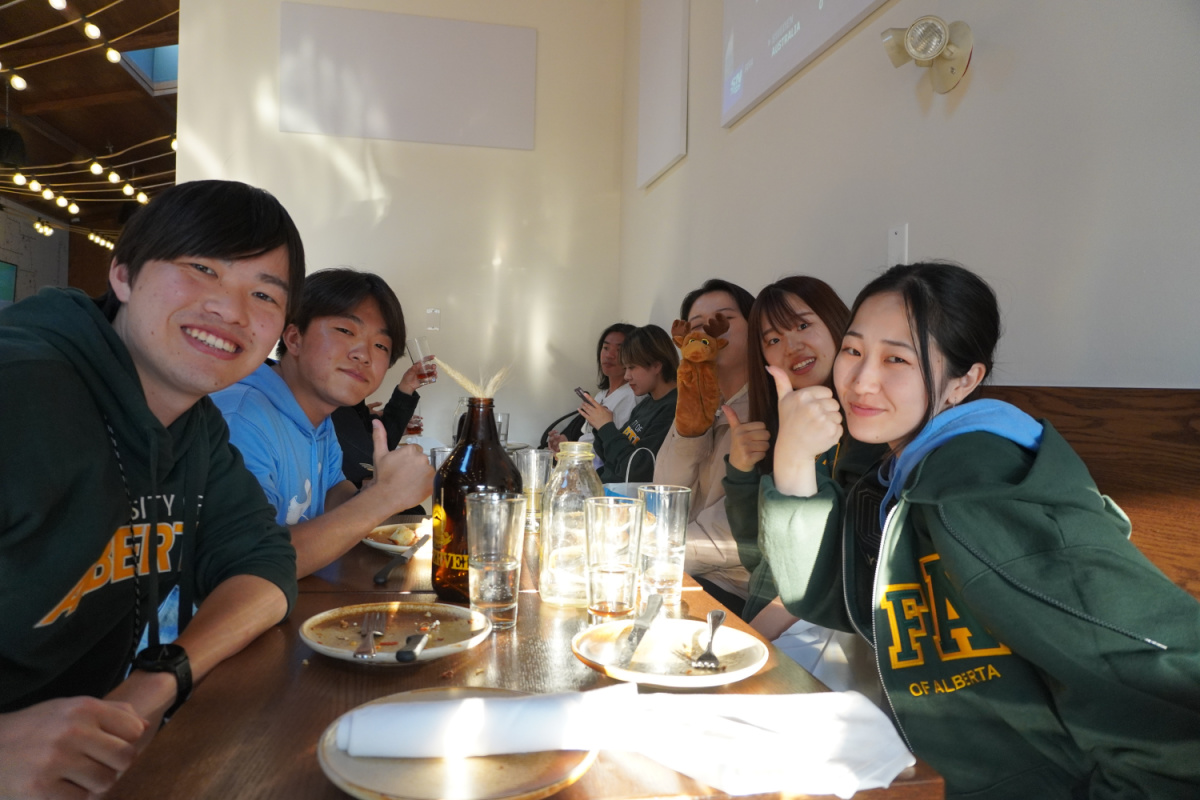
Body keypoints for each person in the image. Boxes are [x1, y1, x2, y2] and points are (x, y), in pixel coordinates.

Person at [759, 262, 1200, 798]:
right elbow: (834, 599)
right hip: (921, 763)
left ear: (965, 380)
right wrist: (793, 458)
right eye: (853, 350)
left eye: (896, 358)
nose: (860, 380)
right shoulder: (898, 471)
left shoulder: (977, 490)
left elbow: (1163, 674)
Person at [0, 180, 305, 799]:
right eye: (202, 269)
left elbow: (265, 564)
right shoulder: (20, 390)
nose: (232, 310)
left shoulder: (194, 427)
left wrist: (155, 684)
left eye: (263, 294)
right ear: (123, 274)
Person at [212, 268, 434, 579]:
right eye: (345, 331)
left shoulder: (319, 416)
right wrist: (382, 498)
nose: (364, 355)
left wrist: (374, 489)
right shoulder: (240, 419)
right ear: (294, 337)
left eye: (381, 346)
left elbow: (333, 493)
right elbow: (250, 563)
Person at [720, 276, 879, 692]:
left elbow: (824, 577)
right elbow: (758, 555)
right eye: (772, 339)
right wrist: (739, 470)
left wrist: (747, 640)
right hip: (768, 620)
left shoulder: (868, 432)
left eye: (803, 326)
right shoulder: (785, 425)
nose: (791, 347)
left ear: (839, 327)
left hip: (815, 636)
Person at [653, 278, 754, 615]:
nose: (709, 332)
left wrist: (654, 555)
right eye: (697, 326)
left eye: (724, 319)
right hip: (686, 569)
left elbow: (734, 535)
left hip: (734, 588)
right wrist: (690, 432)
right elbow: (665, 492)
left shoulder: (765, 411)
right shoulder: (696, 402)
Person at [582, 324, 679, 483]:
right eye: (625, 367)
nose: (627, 376)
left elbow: (636, 469)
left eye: (632, 367)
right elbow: (611, 458)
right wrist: (600, 427)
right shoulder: (647, 403)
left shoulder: (673, 408)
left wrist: (606, 427)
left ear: (656, 365)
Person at [332, 356, 436, 490]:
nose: (365, 358)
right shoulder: (332, 408)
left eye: (381, 347)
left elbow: (383, 443)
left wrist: (407, 387)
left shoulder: (351, 401)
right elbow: (372, 460)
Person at [547, 322, 641, 464]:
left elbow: (616, 447)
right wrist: (566, 445)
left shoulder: (631, 396)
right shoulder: (600, 395)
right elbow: (588, 438)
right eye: (605, 347)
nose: (609, 355)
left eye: (619, 350)